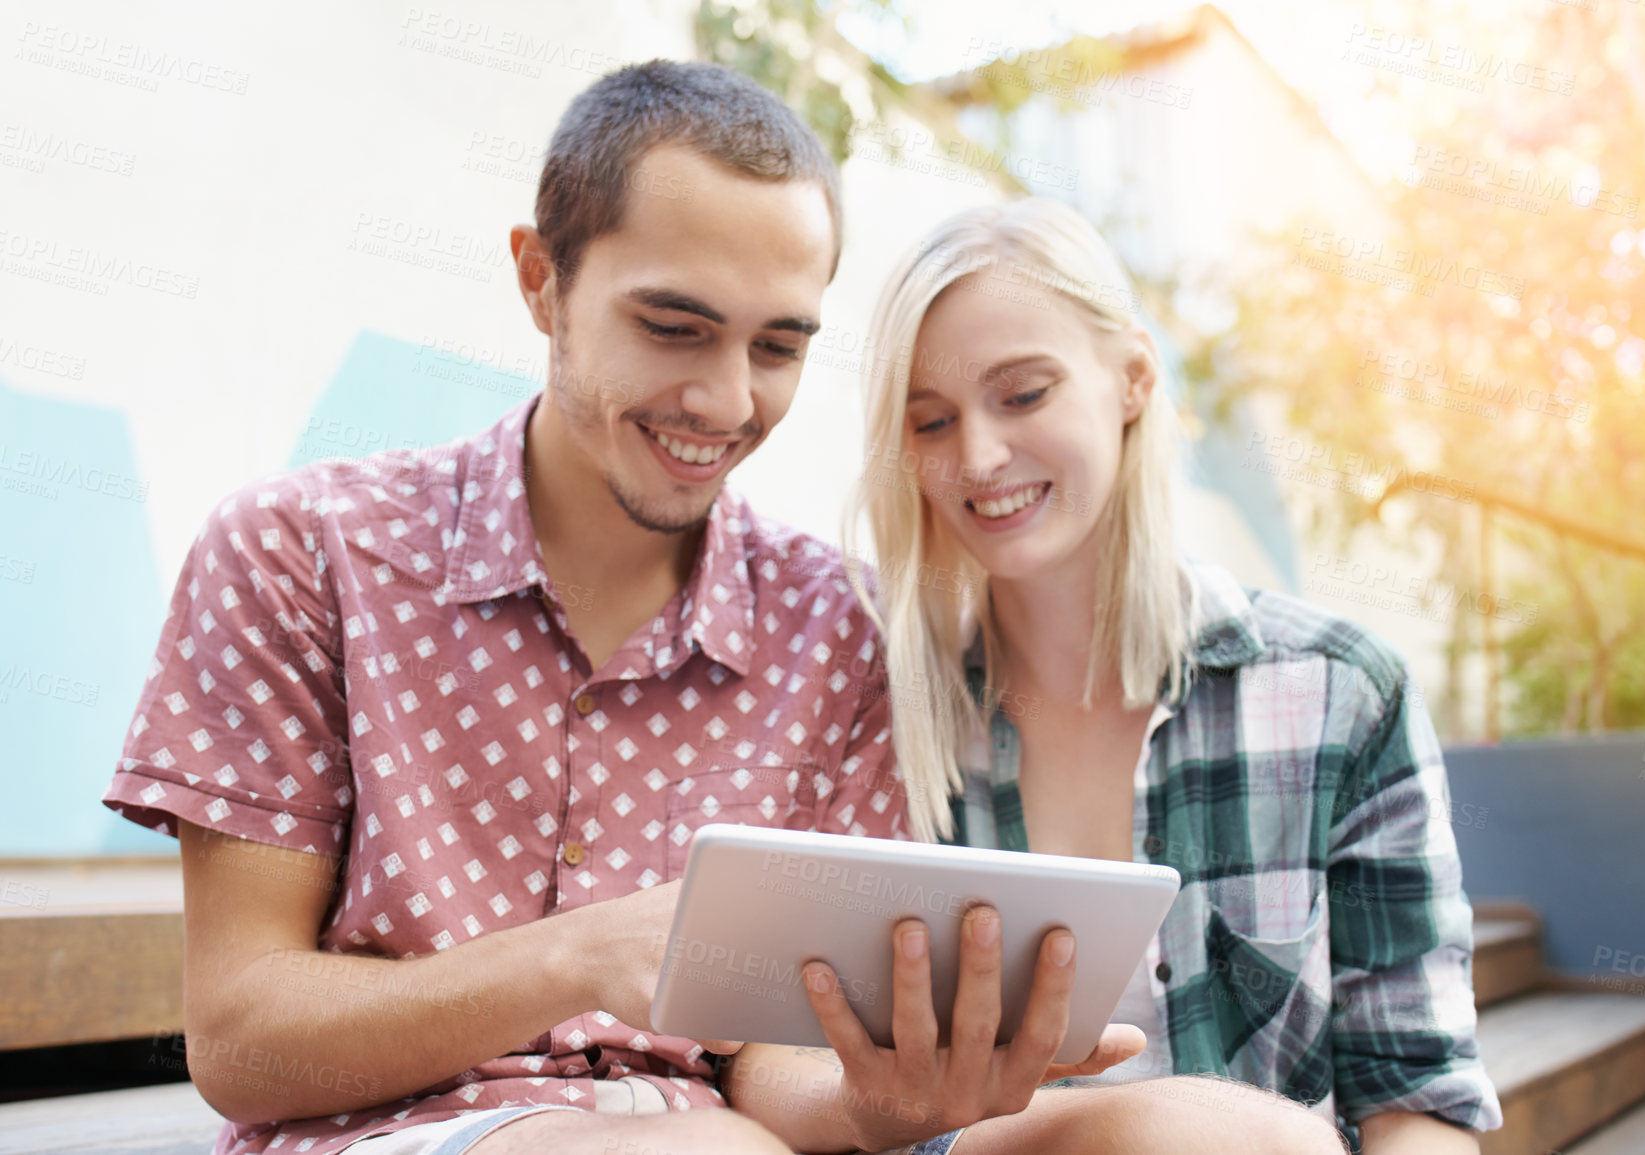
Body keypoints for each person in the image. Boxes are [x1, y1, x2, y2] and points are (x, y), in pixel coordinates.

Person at [99, 62, 1134, 1155]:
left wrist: (889, 1102)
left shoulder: (841, 626)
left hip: (730, 1137)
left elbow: (775, 1064)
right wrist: (579, 957)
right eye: (675, 326)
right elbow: (241, 1046)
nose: (729, 402)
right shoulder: (302, 553)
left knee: (1217, 1133)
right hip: (395, 1135)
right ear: (541, 281)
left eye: (778, 346)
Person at [841, 197, 1505, 1153]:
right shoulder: (891, 720)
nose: (978, 456)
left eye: (1022, 395)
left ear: (1132, 380)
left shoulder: (1340, 694)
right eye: (931, 422)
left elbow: (1418, 1101)